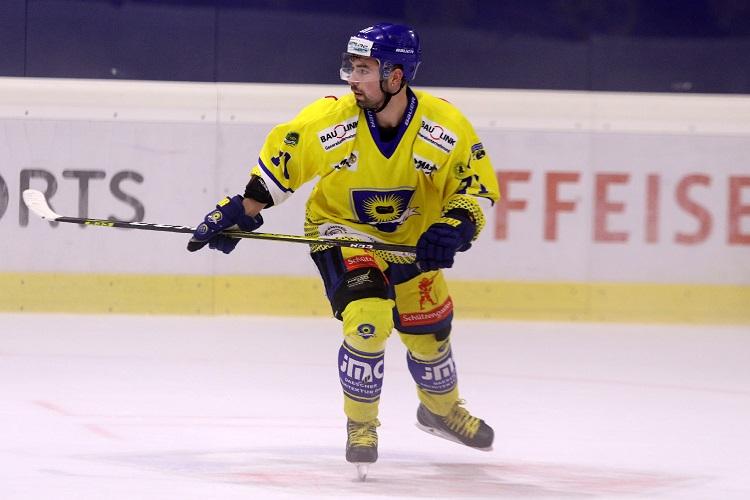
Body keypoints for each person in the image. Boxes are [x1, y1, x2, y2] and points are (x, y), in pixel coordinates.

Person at [188, 22, 500, 469]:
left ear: (396, 76)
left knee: (430, 336)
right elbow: (281, 172)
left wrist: (454, 226)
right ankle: (361, 424)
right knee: (368, 318)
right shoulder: (331, 120)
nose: (353, 78)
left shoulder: (444, 126)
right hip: (342, 232)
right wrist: (241, 211)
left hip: (411, 243)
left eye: (364, 69)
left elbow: (475, 189)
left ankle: (441, 411)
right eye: (351, 67)